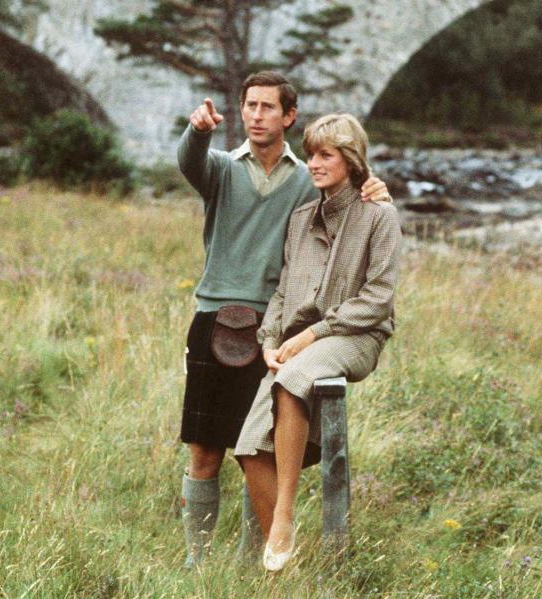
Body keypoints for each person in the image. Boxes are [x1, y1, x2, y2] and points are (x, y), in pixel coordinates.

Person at [175, 72, 391, 568]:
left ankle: (254, 561)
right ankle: (197, 565)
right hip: (215, 316)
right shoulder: (221, 169)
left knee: (260, 449)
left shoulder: (306, 178)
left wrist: (373, 188)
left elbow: (344, 197)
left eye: (267, 107)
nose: (255, 114)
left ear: (289, 116)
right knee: (204, 450)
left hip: (275, 326)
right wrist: (200, 130)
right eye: (249, 105)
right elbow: (188, 162)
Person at [233, 113, 401, 572]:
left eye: (326, 155)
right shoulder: (303, 217)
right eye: (310, 155)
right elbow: (285, 290)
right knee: (248, 447)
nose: (314, 163)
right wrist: (268, 338)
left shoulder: (378, 214)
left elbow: (379, 299)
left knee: (292, 379)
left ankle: (285, 514)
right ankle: (285, 567)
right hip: (298, 344)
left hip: (356, 336)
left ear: (350, 160)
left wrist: (312, 333)